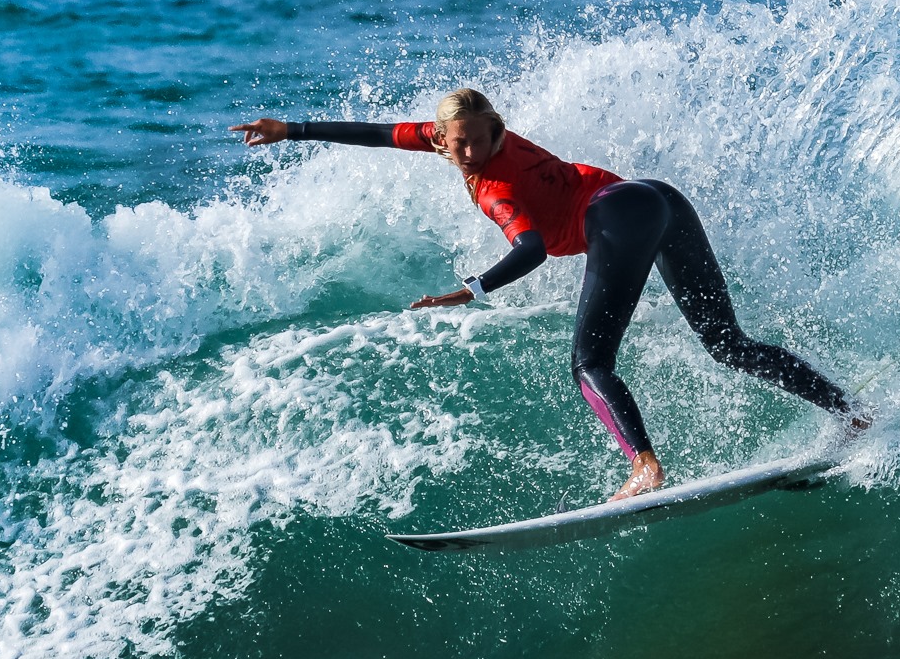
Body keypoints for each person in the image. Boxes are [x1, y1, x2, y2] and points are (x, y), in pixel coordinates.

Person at [233, 90, 861, 500]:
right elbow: (378, 133)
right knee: (726, 345)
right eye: (459, 142)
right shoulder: (451, 138)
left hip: (616, 214)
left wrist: (472, 290)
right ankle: (851, 413)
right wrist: (292, 130)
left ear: (496, 130)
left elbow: (530, 248)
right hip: (658, 199)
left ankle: (644, 466)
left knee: (589, 363)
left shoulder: (494, 187)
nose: (471, 152)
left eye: (481, 139)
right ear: (440, 138)